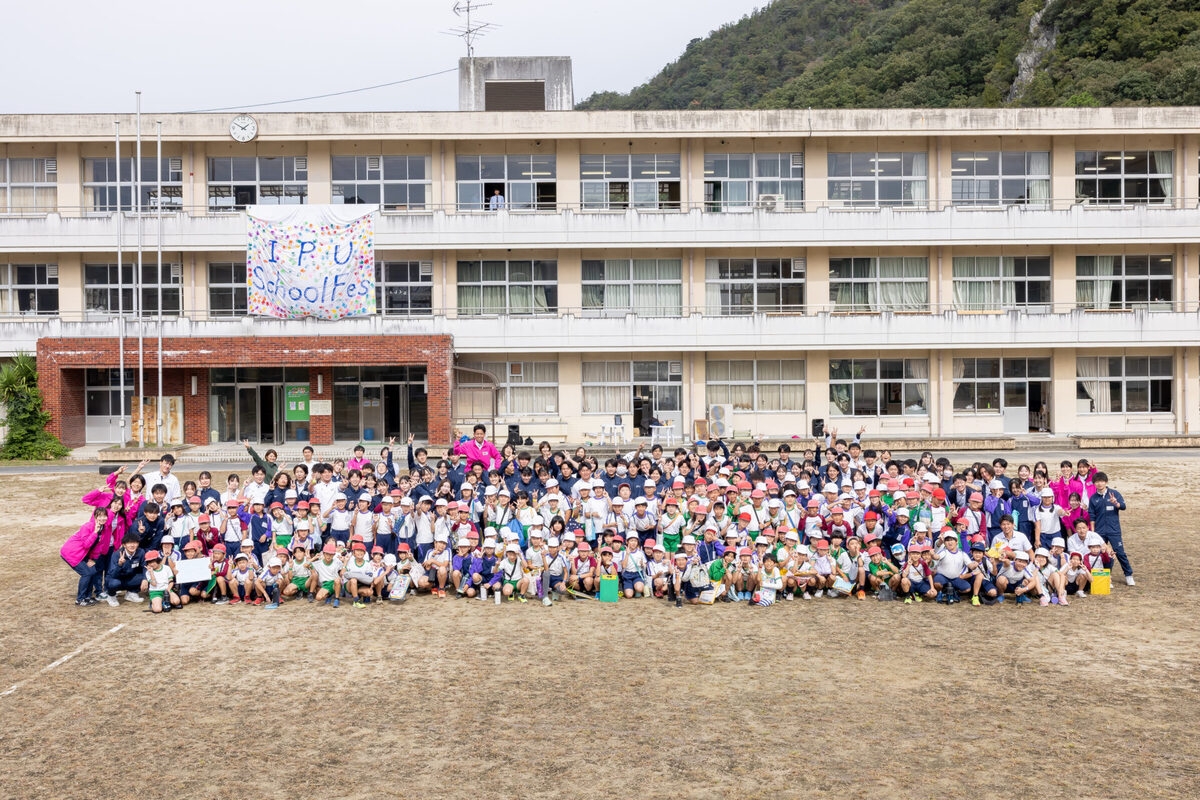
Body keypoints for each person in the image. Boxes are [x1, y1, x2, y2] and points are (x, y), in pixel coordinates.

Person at [1088, 472, 1133, 586]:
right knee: (1102, 554)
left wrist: (1116, 503)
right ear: (1094, 483)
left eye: (1101, 481)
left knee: (1120, 553)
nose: (1099, 483)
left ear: (1106, 482)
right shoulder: (1093, 498)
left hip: (1114, 530)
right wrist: (1093, 532)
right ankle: (1106, 577)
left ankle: (1128, 575)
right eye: (1097, 482)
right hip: (1100, 531)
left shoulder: (1114, 493)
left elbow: (1123, 506)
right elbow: (1092, 516)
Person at [61, 507, 109, 606]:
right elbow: (86, 544)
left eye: (104, 516)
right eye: (99, 516)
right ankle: (80, 599)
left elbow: (97, 547)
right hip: (71, 553)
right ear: (95, 517)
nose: (102, 518)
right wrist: (95, 533)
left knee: (93, 571)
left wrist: (92, 560)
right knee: (86, 573)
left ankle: (87, 597)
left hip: (83, 555)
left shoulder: (103, 529)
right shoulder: (87, 527)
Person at [104, 534, 146, 605]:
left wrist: (145, 579)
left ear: (138, 544)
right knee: (114, 583)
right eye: (129, 543)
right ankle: (111, 596)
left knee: (144, 576)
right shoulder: (116, 555)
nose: (132, 545)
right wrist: (119, 564)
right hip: (117, 579)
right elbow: (113, 574)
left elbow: (144, 567)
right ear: (124, 545)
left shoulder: (141, 552)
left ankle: (131, 593)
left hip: (129, 578)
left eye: (135, 543)